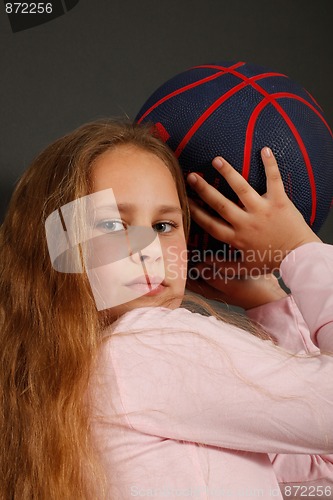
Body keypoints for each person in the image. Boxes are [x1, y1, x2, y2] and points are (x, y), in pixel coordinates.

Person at [0, 119, 332, 500]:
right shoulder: (149, 345)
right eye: (112, 224)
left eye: (163, 225)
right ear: (58, 247)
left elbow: (317, 477)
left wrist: (269, 303)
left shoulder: (71, 378)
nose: (148, 250)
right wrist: (297, 248)